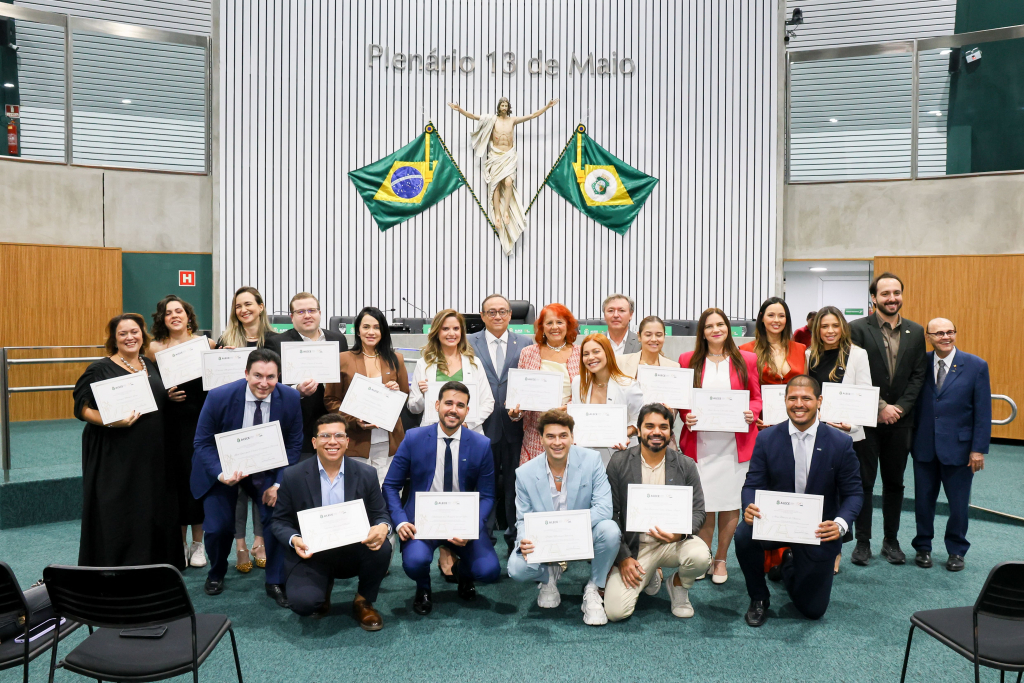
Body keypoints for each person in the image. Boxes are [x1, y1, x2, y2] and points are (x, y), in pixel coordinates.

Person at [736, 376, 863, 626]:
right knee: (743, 534)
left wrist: (839, 524)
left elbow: (854, 494)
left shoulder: (840, 443)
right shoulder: (767, 438)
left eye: (806, 398)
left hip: (817, 528)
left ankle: (788, 564)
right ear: (784, 401)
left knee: (812, 610)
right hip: (775, 521)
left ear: (819, 401)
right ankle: (759, 597)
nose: (799, 404)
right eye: (792, 398)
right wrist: (748, 506)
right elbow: (752, 483)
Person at [192, 348, 303, 607]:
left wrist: (277, 483)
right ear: (245, 374)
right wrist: (221, 473)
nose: (264, 383)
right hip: (222, 468)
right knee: (218, 527)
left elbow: (294, 445)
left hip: (265, 470)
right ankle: (217, 571)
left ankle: (274, 580)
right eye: (257, 376)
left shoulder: (290, 398)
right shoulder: (219, 396)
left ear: (279, 377)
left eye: (271, 377)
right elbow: (202, 442)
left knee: (276, 518)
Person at [73, 313, 184, 570]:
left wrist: (169, 397)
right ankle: (119, 566)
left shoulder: (148, 363)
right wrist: (110, 421)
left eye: (134, 332)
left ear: (142, 335)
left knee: (150, 507)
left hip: (152, 454)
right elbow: (81, 408)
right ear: (114, 339)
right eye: (122, 333)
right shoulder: (100, 368)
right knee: (121, 510)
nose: (129, 337)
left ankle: (153, 564)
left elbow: (153, 397)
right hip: (117, 454)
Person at [382, 382, 501, 615]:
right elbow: (390, 485)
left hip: (463, 521)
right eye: (448, 403)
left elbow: (488, 495)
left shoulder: (481, 445)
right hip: (422, 522)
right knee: (414, 562)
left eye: (460, 405)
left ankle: (464, 575)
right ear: (437, 405)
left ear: (467, 411)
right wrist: (401, 521)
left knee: (488, 571)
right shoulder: (413, 438)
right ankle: (423, 589)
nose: (453, 409)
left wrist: (472, 527)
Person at [271, 414, 392, 629]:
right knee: (304, 605)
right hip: (311, 553)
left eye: (338, 436)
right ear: (314, 442)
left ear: (347, 441)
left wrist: (383, 526)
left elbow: (381, 513)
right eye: (325, 436)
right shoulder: (293, 476)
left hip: (354, 550)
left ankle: (363, 601)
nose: (332, 441)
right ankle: (322, 586)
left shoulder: (367, 474)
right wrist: (294, 539)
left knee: (383, 547)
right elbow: (279, 521)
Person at [507, 410, 620, 626]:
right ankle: (548, 577)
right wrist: (524, 541)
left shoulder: (592, 460)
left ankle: (593, 588)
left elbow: (604, 508)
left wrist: (570, 529)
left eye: (563, 435)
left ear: (572, 437)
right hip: (546, 540)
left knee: (610, 530)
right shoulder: (525, 473)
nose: (557, 442)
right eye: (550, 436)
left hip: (583, 533)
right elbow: (523, 518)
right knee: (517, 568)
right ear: (540, 439)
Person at [604, 404, 712, 622]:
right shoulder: (619, 462)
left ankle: (678, 585)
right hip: (637, 547)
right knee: (616, 612)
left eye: (663, 427)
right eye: (649, 426)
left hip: (673, 543)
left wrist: (679, 535)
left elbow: (698, 511)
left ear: (671, 432)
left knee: (701, 557)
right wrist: (623, 557)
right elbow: (611, 513)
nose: (656, 432)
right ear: (639, 429)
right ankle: (650, 572)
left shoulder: (685, 465)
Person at [848, 273, 927, 566]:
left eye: (896, 293)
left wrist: (900, 408)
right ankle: (863, 542)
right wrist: (880, 405)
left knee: (895, 483)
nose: (891, 298)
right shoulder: (856, 329)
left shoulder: (916, 332)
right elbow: (853, 373)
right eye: (885, 294)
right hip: (866, 419)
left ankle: (891, 541)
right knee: (864, 483)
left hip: (901, 422)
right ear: (874, 298)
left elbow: (919, 375)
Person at [679, 308, 761, 584]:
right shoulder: (687, 359)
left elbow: (756, 398)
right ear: (702, 331)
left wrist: (752, 412)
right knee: (705, 503)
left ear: (728, 328)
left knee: (728, 503)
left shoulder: (747, 359)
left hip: (733, 446)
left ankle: (721, 559)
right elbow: (683, 400)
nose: (716, 330)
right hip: (700, 445)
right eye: (709, 326)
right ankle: (703, 555)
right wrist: (685, 415)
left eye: (720, 324)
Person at [911, 318, 991, 572]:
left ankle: (956, 550)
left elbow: (982, 411)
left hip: (960, 449)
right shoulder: (919, 363)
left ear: (955, 333)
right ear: (928, 337)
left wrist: (978, 449)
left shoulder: (976, 365)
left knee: (958, 505)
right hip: (924, 446)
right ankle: (923, 547)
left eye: (950, 332)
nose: (945, 337)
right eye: (939, 333)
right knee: (923, 502)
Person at [147, 295, 216, 569]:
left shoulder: (206, 344)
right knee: (173, 482)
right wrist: (166, 395)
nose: (174, 315)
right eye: (168, 312)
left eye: (179, 311)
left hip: (199, 421)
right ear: (162, 318)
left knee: (197, 480)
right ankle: (180, 543)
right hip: (168, 424)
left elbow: (218, 380)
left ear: (188, 316)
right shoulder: (153, 348)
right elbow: (149, 385)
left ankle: (198, 544)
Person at [805, 306, 872, 575]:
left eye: (835, 325)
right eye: (824, 326)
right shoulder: (811, 354)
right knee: (820, 490)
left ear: (843, 327)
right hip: (817, 434)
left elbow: (865, 394)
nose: (830, 331)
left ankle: (837, 548)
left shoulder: (858, 354)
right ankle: (814, 541)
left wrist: (851, 424)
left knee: (843, 492)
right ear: (817, 330)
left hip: (848, 436)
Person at [467, 294, 533, 554]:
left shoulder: (525, 343)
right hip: (479, 427)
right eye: (491, 312)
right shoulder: (468, 343)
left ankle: (516, 542)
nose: (498, 316)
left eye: (503, 312)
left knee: (516, 488)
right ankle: (484, 543)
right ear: (482, 316)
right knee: (484, 487)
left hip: (516, 428)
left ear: (510, 315)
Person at [217, 286, 275, 573]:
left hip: (266, 423)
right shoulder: (224, 341)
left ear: (261, 307)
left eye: (249, 304)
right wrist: (222, 359)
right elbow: (215, 385)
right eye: (238, 306)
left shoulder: (276, 340)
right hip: (235, 426)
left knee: (261, 486)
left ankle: (260, 542)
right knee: (239, 488)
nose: (243, 310)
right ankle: (240, 546)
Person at [324, 306, 410, 485]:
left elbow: (404, 397)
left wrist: (395, 391)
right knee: (358, 495)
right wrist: (355, 420)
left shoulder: (396, 359)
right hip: (356, 441)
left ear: (383, 331)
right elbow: (331, 400)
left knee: (387, 494)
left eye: (376, 327)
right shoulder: (343, 359)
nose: (371, 332)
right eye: (366, 327)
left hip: (389, 442)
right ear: (357, 330)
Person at [264, 292, 349, 458]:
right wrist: (297, 391)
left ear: (320, 313)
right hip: (300, 423)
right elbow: (269, 384)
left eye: (312, 310)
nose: (307, 315)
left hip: (336, 419)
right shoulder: (277, 343)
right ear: (292, 317)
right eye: (301, 312)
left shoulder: (338, 339)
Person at [509, 303, 581, 464]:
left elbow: (588, 395)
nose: (554, 327)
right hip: (536, 433)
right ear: (542, 327)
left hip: (572, 431)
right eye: (549, 323)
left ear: (568, 325)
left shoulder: (582, 353)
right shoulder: (528, 353)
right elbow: (520, 395)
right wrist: (516, 413)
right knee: (535, 481)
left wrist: (568, 408)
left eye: (560, 322)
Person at [408, 309, 495, 433]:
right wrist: (423, 396)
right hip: (432, 432)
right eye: (445, 329)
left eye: (456, 328)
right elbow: (413, 407)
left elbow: (487, 402)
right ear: (437, 332)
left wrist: (466, 424)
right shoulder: (424, 364)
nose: (451, 333)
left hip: (467, 432)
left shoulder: (474, 363)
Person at [571, 333, 645, 466]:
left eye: (596, 352)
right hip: (586, 457)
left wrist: (623, 434)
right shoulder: (578, 383)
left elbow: (639, 419)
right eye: (586, 354)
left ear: (608, 353)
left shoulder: (628, 385)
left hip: (621, 457)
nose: (591, 357)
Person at [741, 297, 806, 427]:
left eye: (781, 316)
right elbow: (744, 390)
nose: (776, 320)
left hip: (796, 421)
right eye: (771, 315)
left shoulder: (800, 349)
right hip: (761, 421)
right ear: (762, 318)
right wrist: (752, 416)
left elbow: (806, 388)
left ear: (786, 319)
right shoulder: (746, 351)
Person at [616, 315, 681, 379]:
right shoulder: (620, 362)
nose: (653, 339)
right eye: (648, 335)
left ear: (664, 336)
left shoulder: (674, 367)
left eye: (658, 335)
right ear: (639, 337)